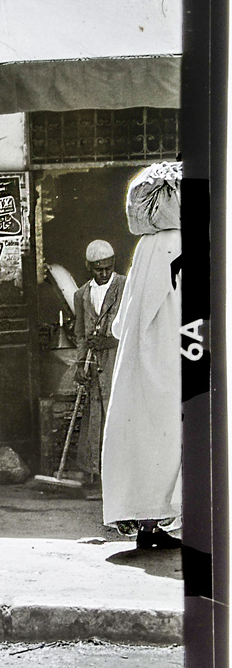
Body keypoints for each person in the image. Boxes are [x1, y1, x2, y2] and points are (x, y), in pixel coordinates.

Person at [101, 161, 182, 550]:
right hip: (174, 355)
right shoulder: (183, 244)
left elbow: (123, 320)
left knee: (143, 441)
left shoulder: (145, 247)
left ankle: (148, 525)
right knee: (170, 442)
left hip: (138, 358)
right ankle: (163, 522)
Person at [71, 240, 126, 484]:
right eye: (98, 269)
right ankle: (95, 475)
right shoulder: (81, 294)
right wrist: (80, 364)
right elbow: (80, 334)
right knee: (95, 418)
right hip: (94, 367)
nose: (104, 274)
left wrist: (111, 342)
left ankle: (123, 474)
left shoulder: (126, 286)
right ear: (88, 267)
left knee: (120, 416)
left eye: (108, 268)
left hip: (119, 363)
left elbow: (134, 328)